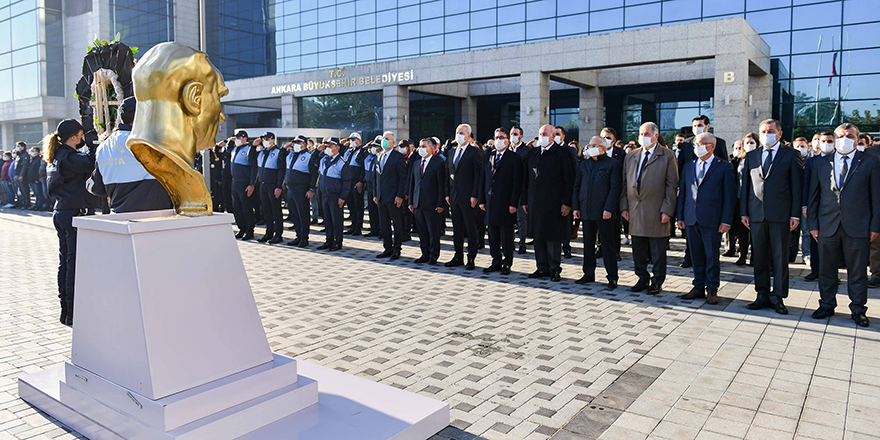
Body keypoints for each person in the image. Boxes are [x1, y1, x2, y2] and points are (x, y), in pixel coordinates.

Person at [808, 123, 880, 328]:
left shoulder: (871, 162)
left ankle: (858, 309)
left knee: (857, 272)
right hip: (827, 225)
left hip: (858, 227)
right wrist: (813, 224)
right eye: (840, 136)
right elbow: (814, 197)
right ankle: (827, 304)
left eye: (849, 136)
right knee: (826, 270)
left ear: (857, 140)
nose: (844, 139)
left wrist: (875, 226)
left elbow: (877, 198)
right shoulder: (820, 164)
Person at [741, 119, 804, 315]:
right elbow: (746, 187)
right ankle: (761, 294)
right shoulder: (752, 155)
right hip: (757, 214)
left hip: (781, 215)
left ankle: (778, 297)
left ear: (779, 133)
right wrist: (744, 212)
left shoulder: (791, 155)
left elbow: (796, 187)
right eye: (763, 131)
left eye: (770, 131)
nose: (766, 134)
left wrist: (795, 214)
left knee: (779, 257)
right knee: (759, 256)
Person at [44, 119, 94, 326]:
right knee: (73, 263)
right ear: (73, 137)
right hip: (73, 212)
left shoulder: (57, 156)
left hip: (61, 211)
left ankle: (65, 310)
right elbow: (92, 161)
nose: (82, 138)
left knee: (64, 261)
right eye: (81, 135)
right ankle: (72, 311)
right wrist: (94, 142)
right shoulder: (71, 157)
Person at [676, 133, 736, 305]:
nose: (697, 147)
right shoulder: (689, 166)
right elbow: (683, 193)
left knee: (711, 255)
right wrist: (680, 216)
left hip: (712, 219)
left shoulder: (724, 167)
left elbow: (729, 196)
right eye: (696, 144)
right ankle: (698, 286)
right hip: (691, 218)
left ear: (712, 146)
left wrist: (726, 220)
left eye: (701, 144)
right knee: (696, 256)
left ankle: (712, 288)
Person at [620, 122, 679, 295]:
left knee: (657, 249)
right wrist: (624, 206)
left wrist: (667, 210)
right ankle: (642, 277)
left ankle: (657, 280)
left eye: (646, 134)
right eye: (641, 133)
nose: (643, 137)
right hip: (635, 209)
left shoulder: (667, 155)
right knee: (638, 248)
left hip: (656, 210)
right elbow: (625, 183)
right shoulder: (631, 156)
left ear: (655, 135)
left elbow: (671, 185)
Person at [86, 97, 172, 213]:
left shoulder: (103, 147)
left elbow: (95, 187)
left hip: (121, 219)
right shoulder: (147, 143)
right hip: (153, 220)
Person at [522, 124, 576, 282]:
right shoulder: (533, 153)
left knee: (553, 237)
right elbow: (526, 178)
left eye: (546, 134)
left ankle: (554, 268)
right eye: (540, 134)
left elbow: (569, 179)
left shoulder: (563, 153)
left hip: (555, 203)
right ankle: (541, 267)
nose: (543, 137)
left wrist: (567, 201)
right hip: (535, 203)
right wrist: (524, 200)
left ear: (553, 136)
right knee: (538, 236)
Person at [572, 136, 621, 289]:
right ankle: (588, 273)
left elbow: (615, 189)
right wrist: (576, 207)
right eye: (590, 144)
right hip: (586, 210)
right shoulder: (583, 165)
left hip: (603, 212)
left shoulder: (613, 164)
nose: (591, 147)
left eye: (595, 145)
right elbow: (577, 187)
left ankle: (612, 276)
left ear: (603, 148)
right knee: (588, 245)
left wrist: (609, 208)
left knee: (607, 245)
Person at [479, 128, 523, 275]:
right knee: (492, 235)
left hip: (506, 203)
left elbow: (517, 183)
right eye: (497, 137)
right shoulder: (489, 156)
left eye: (502, 137)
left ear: (507, 140)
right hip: (490, 202)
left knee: (506, 236)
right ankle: (495, 260)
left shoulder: (514, 158)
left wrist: (513, 203)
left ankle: (507, 262)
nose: (499, 140)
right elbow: (483, 179)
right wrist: (481, 199)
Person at [445, 124, 484, 270]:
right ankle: (458, 256)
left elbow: (478, 176)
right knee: (457, 228)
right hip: (454, 197)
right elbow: (448, 175)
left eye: (462, 133)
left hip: (468, 197)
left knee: (470, 227)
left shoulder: (475, 152)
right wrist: (447, 193)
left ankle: (471, 257)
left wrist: (475, 195)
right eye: (457, 132)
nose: (459, 135)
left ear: (468, 135)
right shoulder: (451, 152)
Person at [802, 131, 836, 281]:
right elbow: (807, 184)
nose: (826, 143)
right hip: (816, 206)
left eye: (830, 140)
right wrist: (805, 205)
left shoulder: (839, 160)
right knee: (814, 237)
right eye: (823, 141)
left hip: (835, 208)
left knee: (833, 242)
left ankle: (832, 273)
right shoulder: (812, 161)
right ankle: (815, 270)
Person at [407, 138, 446, 264]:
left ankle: (433, 255)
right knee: (422, 231)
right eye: (420, 146)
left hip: (432, 203)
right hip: (418, 202)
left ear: (431, 148)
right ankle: (424, 253)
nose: (421, 148)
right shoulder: (416, 163)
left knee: (433, 231)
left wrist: (440, 203)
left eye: (424, 146)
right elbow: (412, 184)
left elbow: (442, 185)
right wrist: (411, 202)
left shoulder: (438, 163)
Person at [373, 131, 406, 260]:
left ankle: (397, 249)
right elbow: (377, 177)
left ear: (393, 142)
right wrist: (376, 194)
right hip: (381, 196)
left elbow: (402, 178)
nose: (384, 141)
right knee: (384, 224)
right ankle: (387, 248)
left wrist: (400, 195)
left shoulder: (398, 157)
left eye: (387, 139)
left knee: (397, 223)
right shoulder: (379, 155)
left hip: (393, 196)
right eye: (383, 138)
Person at [284, 134, 318, 248]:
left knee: (303, 213)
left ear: (304, 144)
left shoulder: (309, 156)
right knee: (294, 213)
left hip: (301, 188)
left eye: (299, 143)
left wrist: (312, 189)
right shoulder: (290, 154)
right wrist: (285, 147)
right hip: (291, 188)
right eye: (295, 143)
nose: (296, 145)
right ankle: (298, 235)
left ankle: (304, 237)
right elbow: (280, 158)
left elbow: (314, 174)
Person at [317, 137, 350, 251]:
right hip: (325, 193)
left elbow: (347, 182)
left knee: (336, 219)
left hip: (336, 195)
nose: (328, 147)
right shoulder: (323, 159)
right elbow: (313, 162)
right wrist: (318, 150)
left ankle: (338, 241)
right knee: (327, 218)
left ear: (337, 148)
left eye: (331, 145)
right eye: (327, 145)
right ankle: (329, 240)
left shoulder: (342, 162)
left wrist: (343, 197)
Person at [254, 132, 287, 243]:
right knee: (266, 210)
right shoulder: (262, 152)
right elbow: (252, 160)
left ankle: (278, 234)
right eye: (263, 139)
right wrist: (255, 145)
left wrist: (279, 186)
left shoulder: (278, 152)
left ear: (273, 140)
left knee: (276, 210)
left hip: (273, 185)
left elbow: (281, 170)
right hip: (262, 184)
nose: (265, 141)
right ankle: (269, 232)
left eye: (267, 139)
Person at [229, 131, 258, 239]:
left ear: (245, 138)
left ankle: (249, 230)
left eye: (239, 137)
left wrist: (251, 184)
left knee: (246, 207)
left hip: (244, 182)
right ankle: (242, 228)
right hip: (235, 181)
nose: (237, 139)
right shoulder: (235, 148)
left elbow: (253, 168)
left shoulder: (249, 150)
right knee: (237, 207)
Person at [509, 126, 531, 254]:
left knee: (521, 218)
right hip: (508, 189)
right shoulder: (507, 150)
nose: (513, 136)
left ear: (521, 136)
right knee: (508, 218)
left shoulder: (527, 151)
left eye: (515, 134)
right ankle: (509, 242)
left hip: (521, 189)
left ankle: (522, 243)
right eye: (512, 133)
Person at [342, 132, 367, 236]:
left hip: (356, 181)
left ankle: (358, 227)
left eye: (354, 139)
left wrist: (361, 181)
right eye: (351, 139)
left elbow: (363, 167)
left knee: (358, 206)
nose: (352, 141)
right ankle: (352, 225)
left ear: (359, 141)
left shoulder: (362, 152)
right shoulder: (348, 151)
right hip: (347, 181)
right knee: (351, 205)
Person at [364, 138, 381, 237]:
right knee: (371, 208)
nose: (373, 148)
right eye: (372, 146)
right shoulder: (369, 157)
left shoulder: (380, 157)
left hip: (377, 185)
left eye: (376, 146)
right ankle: (373, 228)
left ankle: (381, 229)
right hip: (369, 185)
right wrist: (365, 148)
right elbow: (358, 159)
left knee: (379, 209)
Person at [14, 141, 30, 209]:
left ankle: (27, 204)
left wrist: (21, 175)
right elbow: (17, 167)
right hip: (18, 175)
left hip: (23, 176)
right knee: (21, 190)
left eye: (18, 146)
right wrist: (15, 175)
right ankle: (23, 203)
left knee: (24, 190)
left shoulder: (25, 155)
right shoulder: (19, 155)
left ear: (23, 147)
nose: (17, 148)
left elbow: (24, 166)